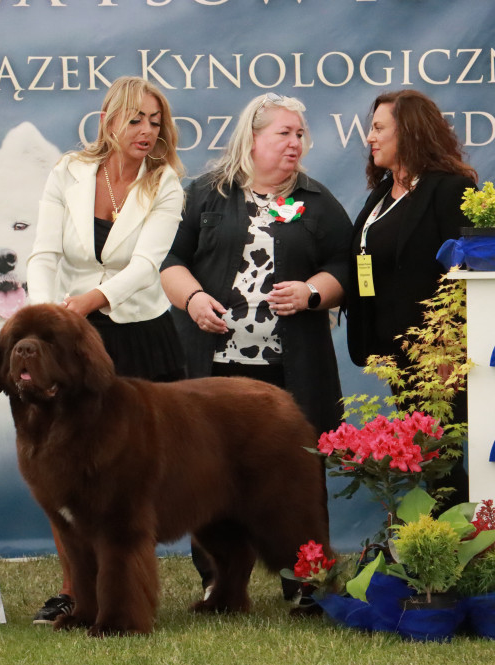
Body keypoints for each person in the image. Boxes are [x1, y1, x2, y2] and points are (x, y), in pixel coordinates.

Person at [160, 92, 352, 595]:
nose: (295, 144)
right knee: (204, 473)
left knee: (298, 476)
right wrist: (195, 299)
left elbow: (345, 268)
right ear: (252, 138)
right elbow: (170, 262)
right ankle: (220, 582)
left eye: (299, 135)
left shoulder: (317, 201)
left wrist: (313, 292)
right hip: (213, 372)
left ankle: (307, 580)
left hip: (290, 370)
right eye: (283, 134)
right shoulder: (204, 193)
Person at [25, 76, 185, 625]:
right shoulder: (67, 172)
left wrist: (89, 301)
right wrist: (48, 317)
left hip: (137, 331)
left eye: (155, 121)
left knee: (131, 477)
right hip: (68, 335)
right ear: (109, 121)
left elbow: (145, 267)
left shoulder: (164, 183)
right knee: (60, 462)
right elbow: (43, 253)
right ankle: (74, 588)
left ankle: (130, 589)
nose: (146, 131)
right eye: (136, 119)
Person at [345, 89, 478, 504]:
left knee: (442, 459)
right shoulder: (382, 194)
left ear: (411, 133)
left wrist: (447, 352)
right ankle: (439, 545)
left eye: (379, 128)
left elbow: (465, 275)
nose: (370, 137)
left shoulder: (450, 188)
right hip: (397, 356)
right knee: (424, 457)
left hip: (437, 359)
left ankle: (462, 548)